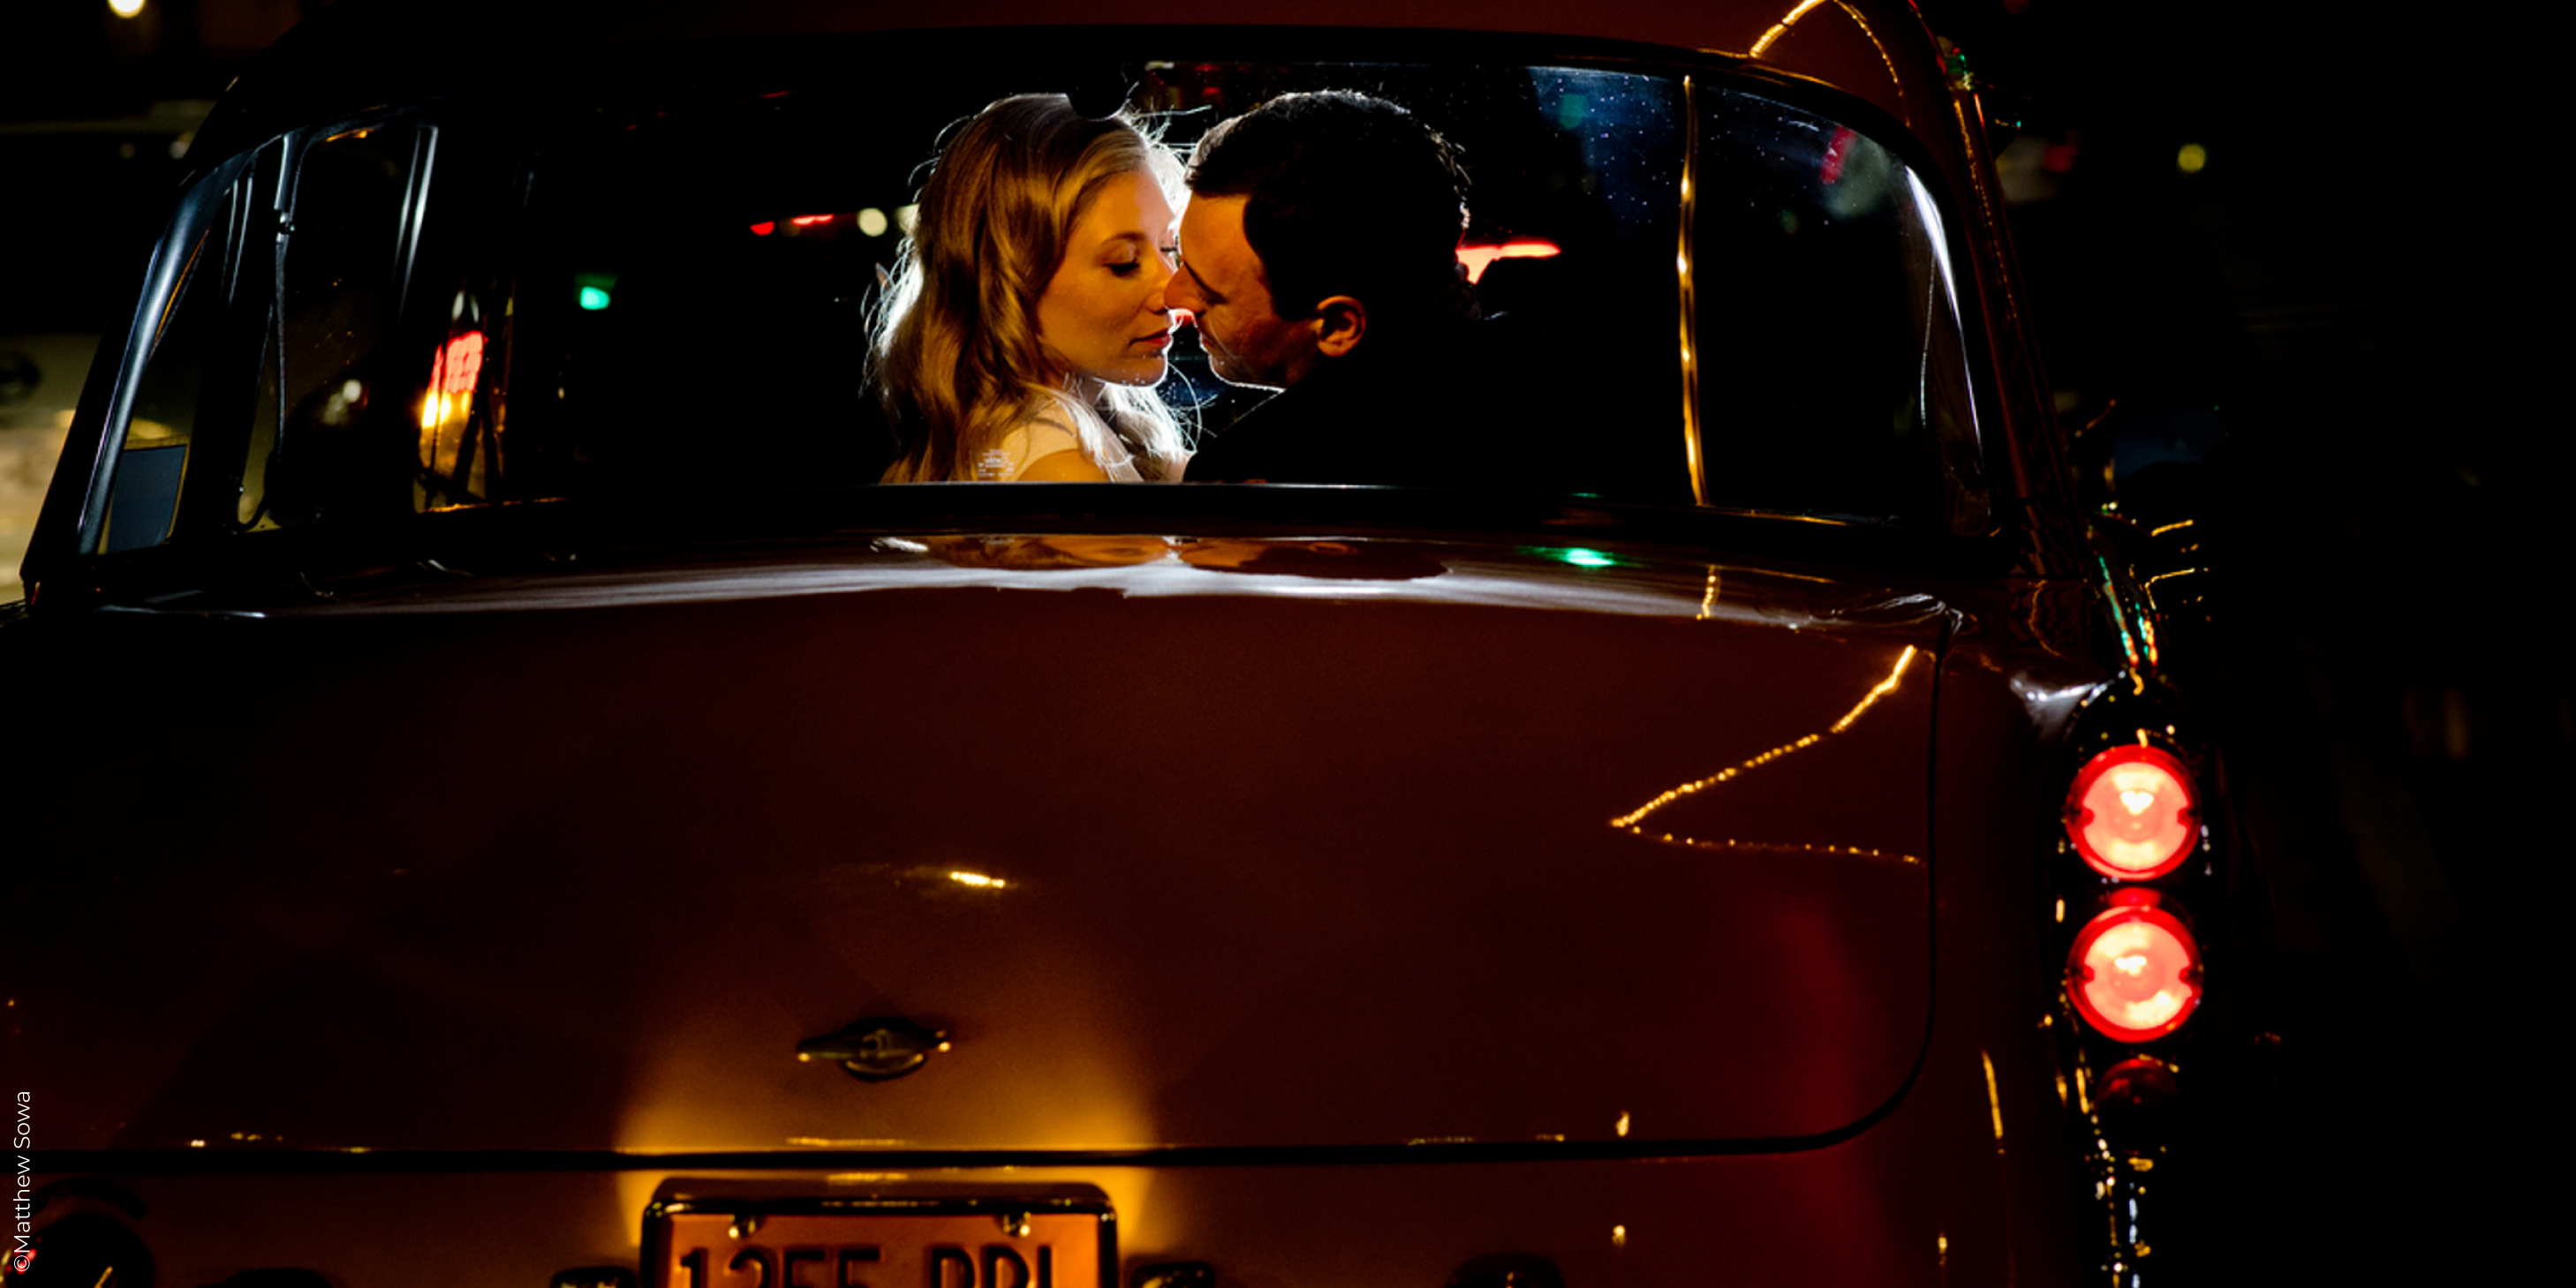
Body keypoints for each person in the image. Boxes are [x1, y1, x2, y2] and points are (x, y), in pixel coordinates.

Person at [1167, 91, 1579, 490]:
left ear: (1338, 326)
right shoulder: (1576, 381)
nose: (1173, 296)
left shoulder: (1255, 468)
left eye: (1209, 292)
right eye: (1180, 259)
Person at [872, 94, 1190, 482]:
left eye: (1169, 248)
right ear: (1011, 281)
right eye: (1124, 263)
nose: (1173, 289)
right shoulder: (1060, 466)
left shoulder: (1036, 433)